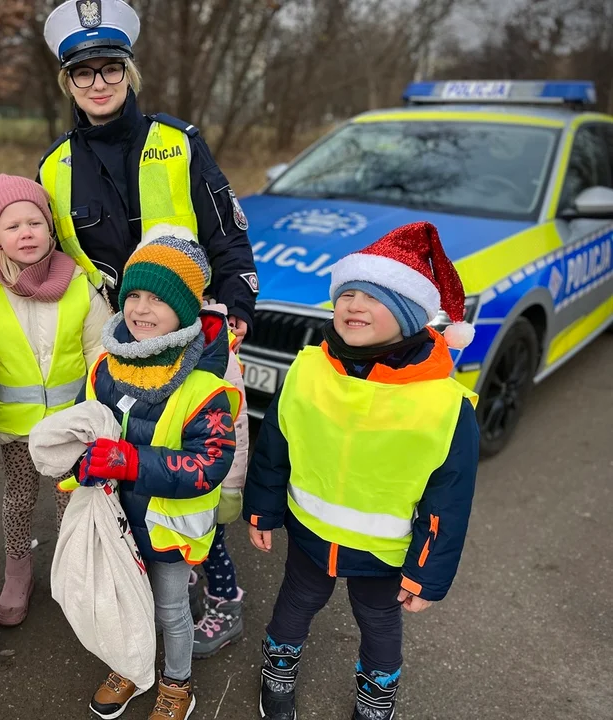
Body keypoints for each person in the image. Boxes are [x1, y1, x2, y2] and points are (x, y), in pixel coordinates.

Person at [243, 222, 481, 720]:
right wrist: (263, 510)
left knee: (379, 623)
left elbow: (449, 498)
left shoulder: (444, 405)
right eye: (346, 292)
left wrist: (427, 572)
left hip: (384, 553)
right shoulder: (308, 370)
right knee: (295, 605)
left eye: (374, 297)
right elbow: (276, 447)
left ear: (411, 315)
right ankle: (278, 670)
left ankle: (376, 695)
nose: (352, 304)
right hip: (309, 533)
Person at [78, 230, 239, 720]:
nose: (141, 309)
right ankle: (130, 664)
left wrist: (127, 461)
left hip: (167, 524)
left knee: (171, 608)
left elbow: (209, 463)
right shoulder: (106, 366)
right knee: (124, 600)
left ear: (186, 309)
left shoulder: (204, 384)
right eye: (134, 296)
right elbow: (87, 427)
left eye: (158, 299)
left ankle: (177, 683)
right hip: (117, 519)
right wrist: (78, 464)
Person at [40, 0, 258, 347]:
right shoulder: (54, 165)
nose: (99, 85)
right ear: (69, 84)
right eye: (83, 72)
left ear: (129, 74)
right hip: (98, 342)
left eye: (111, 69)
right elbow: (35, 247)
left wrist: (237, 302)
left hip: (188, 330)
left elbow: (227, 234)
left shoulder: (180, 142)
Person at [0, 174, 110, 627]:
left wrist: (99, 416)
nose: (25, 233)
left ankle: (73, 572)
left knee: (71, 497)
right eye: (12, 227)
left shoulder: (78, 284)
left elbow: (98, 354)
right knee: (18, 498)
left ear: (51, 229)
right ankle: (17, 571)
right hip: (18, 426)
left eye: (35, 222)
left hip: (71, 424)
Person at [189, 299, 249, 658]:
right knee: (181, 541)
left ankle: (226, 607)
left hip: (211, 478)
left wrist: (231, 486)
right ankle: (188, 594)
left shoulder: (217, 351)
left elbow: (237, 425)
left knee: (212, 546)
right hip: (175, 475)